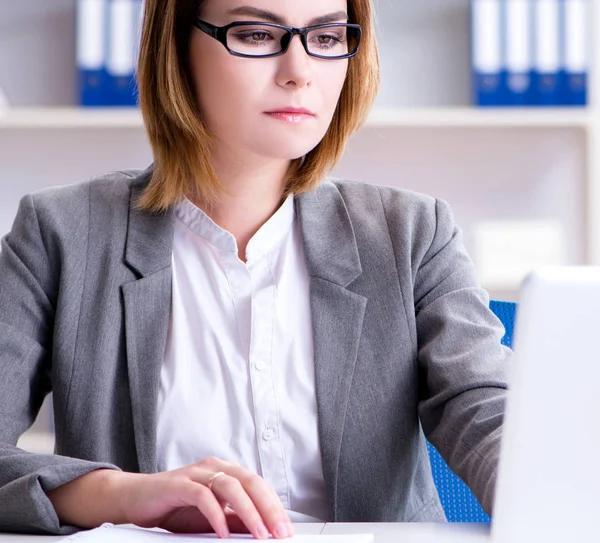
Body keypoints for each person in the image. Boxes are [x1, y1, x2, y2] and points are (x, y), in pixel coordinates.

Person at [0, 0, 511, 538]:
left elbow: (484, 411)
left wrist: (553, 488)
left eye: (329, 38)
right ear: (176, 49)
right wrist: (123, 495)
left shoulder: (411, 232)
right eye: (256, 34)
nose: (299, 71)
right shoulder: (61, 232)